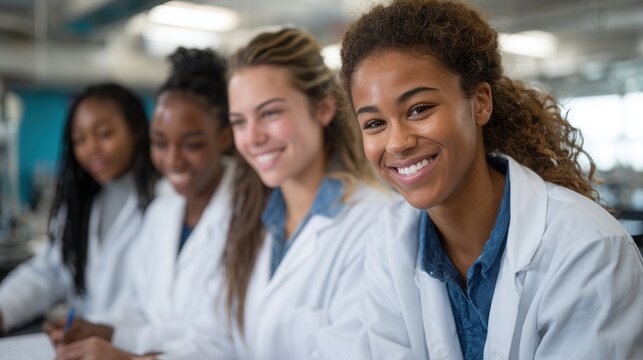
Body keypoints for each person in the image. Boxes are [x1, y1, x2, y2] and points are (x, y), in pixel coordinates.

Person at [340, 0, 643, 359]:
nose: (397, 142)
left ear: (480, 103)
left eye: (419, 109)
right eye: (374, 123)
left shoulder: (586, 248)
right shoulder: (389, 241)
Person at [193, 27, 393, 359]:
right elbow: (213, 340)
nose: (253, 137)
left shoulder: (375, 222)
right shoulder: (251, 219)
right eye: (239, 121)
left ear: (324, 109)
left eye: (270, 113)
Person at [54, 47, 234, 359]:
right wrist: (98, 328)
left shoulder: (248, 213)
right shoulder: (162, 210)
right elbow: (136, 302)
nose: (173, 159)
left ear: (225, 136)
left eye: (191, 144)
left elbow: (219, 341)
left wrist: (125, 352)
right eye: (160, 143)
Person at [0, 83, 157, 333]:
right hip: (83, 344)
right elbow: (49, 272)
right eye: (79, 140)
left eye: (104, 134)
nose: (91, 149)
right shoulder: (82, 204)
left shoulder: (161, 203)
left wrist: (101, 330)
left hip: (132, 346)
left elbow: (156, 301)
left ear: (136, 130)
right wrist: (4, 309)